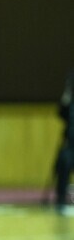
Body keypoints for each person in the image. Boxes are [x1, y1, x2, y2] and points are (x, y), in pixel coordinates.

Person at [54, 70, 74, 211]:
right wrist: (67, 92)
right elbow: (60, 113)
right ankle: (61, 198)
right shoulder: (70, 104)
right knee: (63, 159)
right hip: (71, 147)